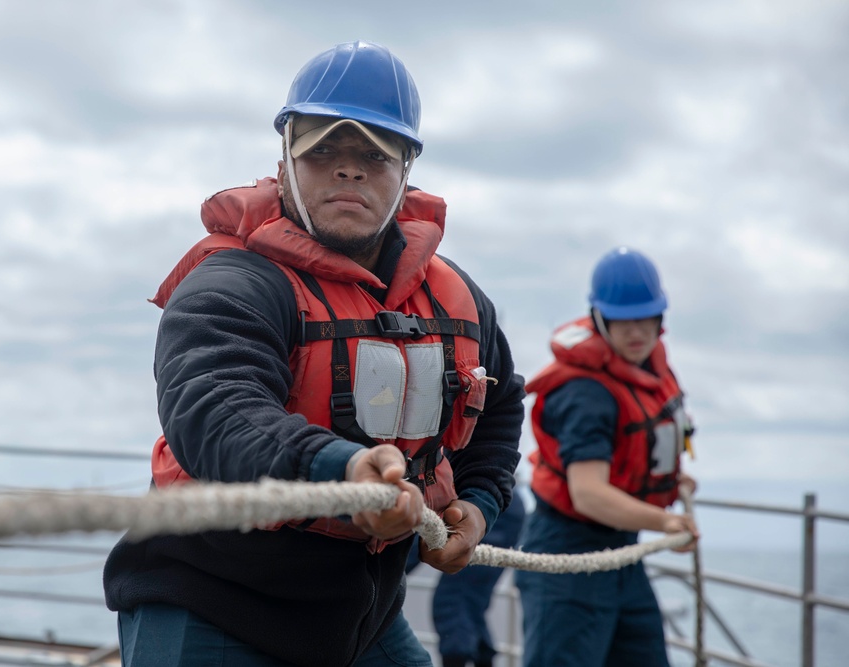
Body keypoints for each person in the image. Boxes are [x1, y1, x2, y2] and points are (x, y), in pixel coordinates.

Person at [102, 40, 525, 667]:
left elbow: (500, 405)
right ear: (286, 158)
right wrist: (344, 473)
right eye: (323, 148)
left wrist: (482, 504)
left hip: (360, 616)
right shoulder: (235, 285)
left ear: (405, 169)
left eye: (374, 154)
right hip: (212, 599)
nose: (348, 169)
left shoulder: (457, 301)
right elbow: (215, 410)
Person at [515, 247, 699, 667]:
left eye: (646, 318)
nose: (636, 332)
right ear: (600, 320)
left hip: (622, 555)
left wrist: (673, 484)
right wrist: (666, 521)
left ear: (660, 319)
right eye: (622, 320)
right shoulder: (585, 394)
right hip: (567, 555)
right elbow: (589, 494)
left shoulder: (648, 371)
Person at [405, 483, 525, 667]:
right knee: (466, 605)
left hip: (483, 507)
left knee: (454, 601)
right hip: (489, 500)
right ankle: (479, 656)